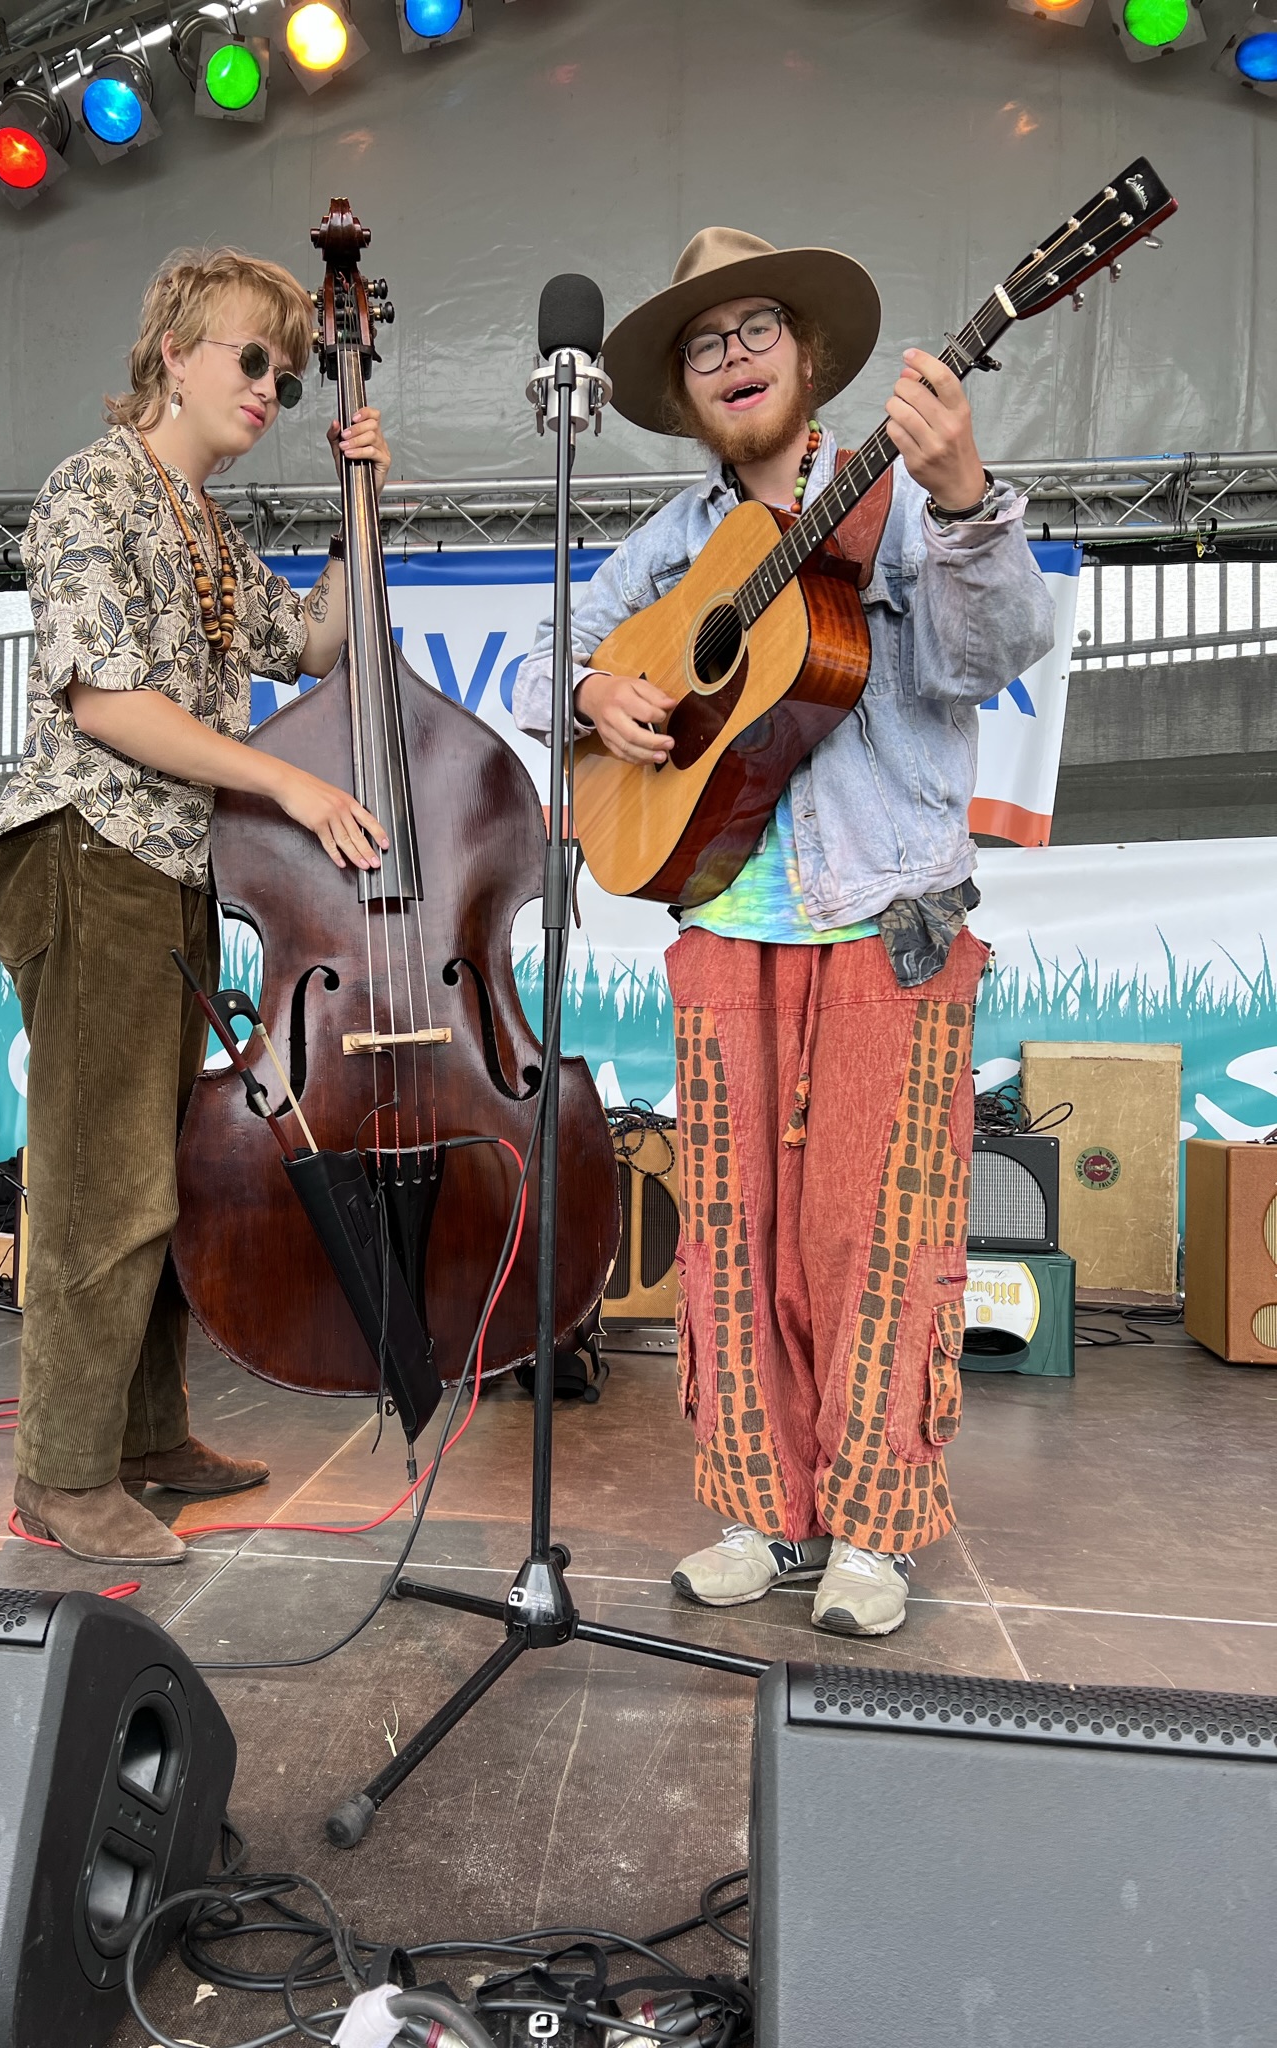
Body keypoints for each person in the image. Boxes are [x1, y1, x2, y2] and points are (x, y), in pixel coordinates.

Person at [515, 228, 1054, 1636]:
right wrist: (591, 698)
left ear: (808, 356)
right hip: (722, 919)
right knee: (733, 1237)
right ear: (683, 390)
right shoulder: (672, 544)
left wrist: (968, 498)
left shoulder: (899, 499)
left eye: (757, 328)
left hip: (885, 915)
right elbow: (542, 658)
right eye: (705, 344)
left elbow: (993, 651)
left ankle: (872, 1529)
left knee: (875, 1236)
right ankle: (762, 1510)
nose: (733, 356)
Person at [0, 247, 390, 1569]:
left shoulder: (206, 529)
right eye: (250, 357)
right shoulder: (93, 489)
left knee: (157, 1178)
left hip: (168, 872)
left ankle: (148, 1438)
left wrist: (360, 506)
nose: (271, 385)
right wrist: (287, 783)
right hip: (87, 853)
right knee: (102, 1187)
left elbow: (315, 642)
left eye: (287, 371)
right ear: (173, 353)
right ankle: (63, 1476)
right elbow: (107, 702)